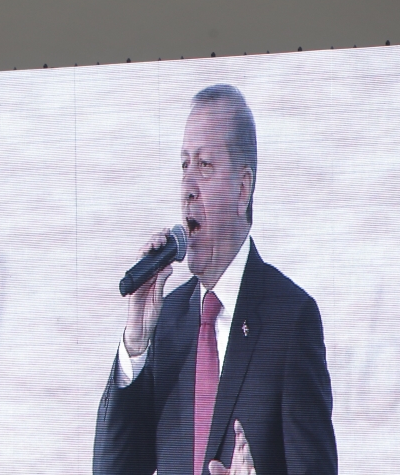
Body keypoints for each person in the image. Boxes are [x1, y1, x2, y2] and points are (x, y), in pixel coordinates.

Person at [93, 85, 336, 475]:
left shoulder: (290, 319)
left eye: (204, 165)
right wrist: (135, 343)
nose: (188, 187)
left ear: (242, 189)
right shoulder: (166, 321)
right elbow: (112, 469)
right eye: (184, 165)